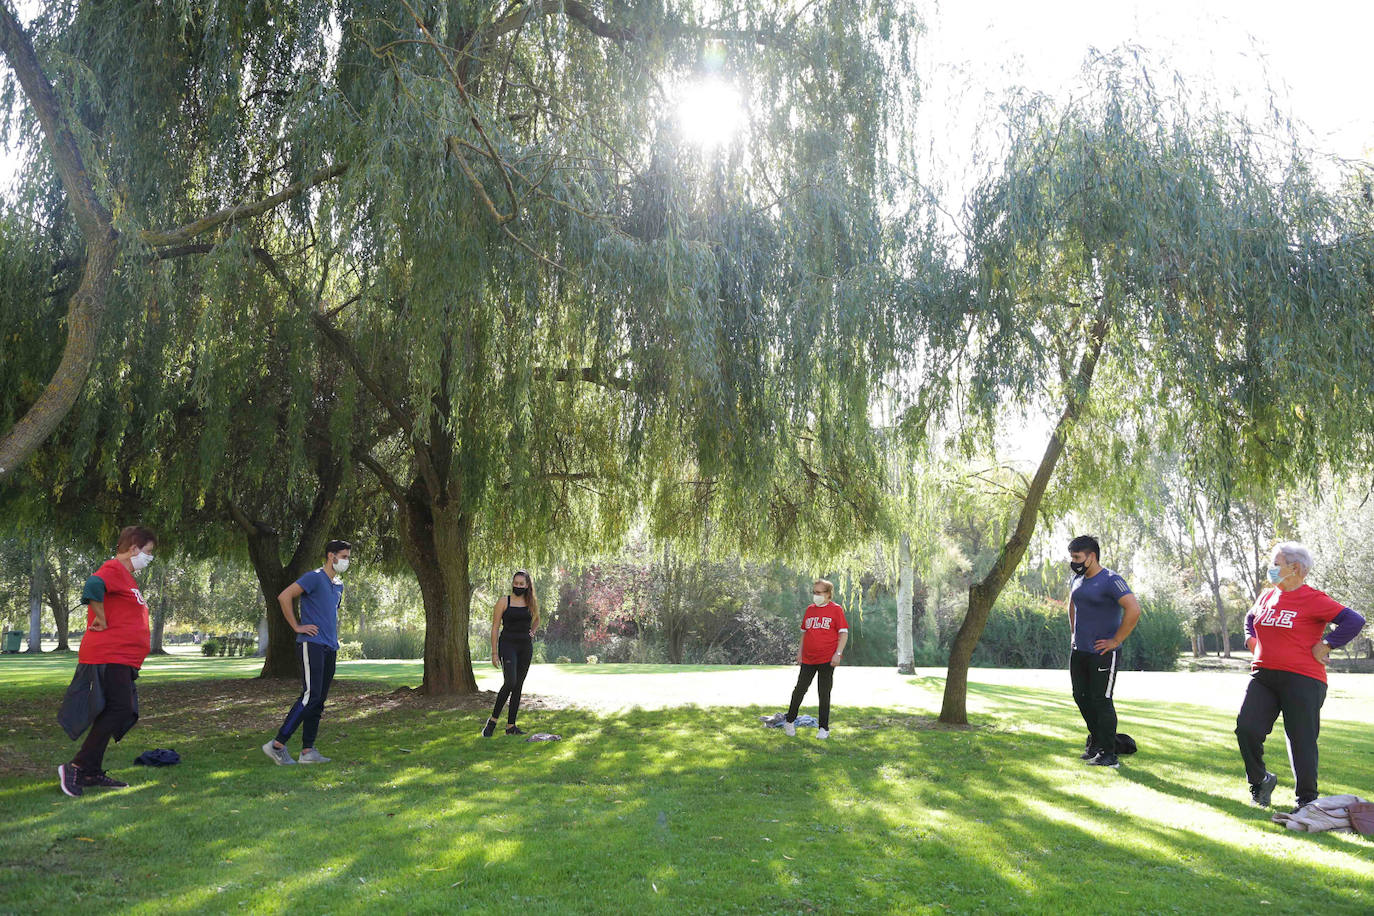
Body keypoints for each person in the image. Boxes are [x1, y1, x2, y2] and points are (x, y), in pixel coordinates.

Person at [1235, 541, 1365, 810]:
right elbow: (1250, 618)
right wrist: (1251, 639)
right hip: (1263, 676)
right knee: (1246, 728)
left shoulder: (1314, 599)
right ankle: (1260, 780)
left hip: (1303, 679)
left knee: (1301, 739)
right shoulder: (1267, 596)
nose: (1271, 570)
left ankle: (1306, 800)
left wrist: (1327, 644)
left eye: (1276, 564)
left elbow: (1354, 620)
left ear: (1295, 568)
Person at [58, 526, 157, 798]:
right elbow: (92, 586)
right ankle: (78, 765)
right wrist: (99, 618)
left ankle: (90, 772)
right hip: (109, 654)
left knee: (116, 710)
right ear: (134, 548)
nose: (149, 558)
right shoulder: (113, 568)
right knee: (120, 708)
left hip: (121, 657)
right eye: (148, 552)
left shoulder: (126, 577)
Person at [262, 540, 351, 765]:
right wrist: (297, 626)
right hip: (311, 644)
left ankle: (308, 752)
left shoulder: (338, 585)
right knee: (310, 695)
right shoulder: (314, 577)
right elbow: (284, 596)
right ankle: (277, 745)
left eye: (348, 557)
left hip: (330, 646)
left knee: (319, 700)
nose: (346, 561)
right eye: (344, 556)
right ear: (331, 556)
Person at [1066, 535, 1141, 769]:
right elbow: (1072, 605)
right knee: (1081, 696)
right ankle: (1098, 741)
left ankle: (1110, 755)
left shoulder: (1111, 580)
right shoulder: (1077, 580)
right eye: (1072, 557)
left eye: (1077, 557)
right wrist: (1073, 634)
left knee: (1101, 700)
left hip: (1104, 653)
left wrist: (1115, 640)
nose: (1074, 561)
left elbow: (1133, 609)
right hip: (1080, 650)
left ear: (1092, 556)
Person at [782, 579, 848, 740]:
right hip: (809, 658)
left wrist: (837, 654)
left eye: (819, 593)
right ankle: (789, 721)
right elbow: (804, 633)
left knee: (823, 693)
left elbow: (843, 633)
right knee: (799, 690)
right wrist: (800, 652)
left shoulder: (836, 610)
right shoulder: (809, 610)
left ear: (828, 594)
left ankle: (823, 728)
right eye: (814, 592)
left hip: (827, 659)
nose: (815, 595)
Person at [482, 570, 541, 737]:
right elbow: (495, 627)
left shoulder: (531, 602)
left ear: (527, 585)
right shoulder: (503, 602)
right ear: (512, 583)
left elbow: (537, 619)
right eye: (516, 583)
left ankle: (510, 727)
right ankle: (492, 721)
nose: (518, 586)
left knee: (518, 686)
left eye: (522, 584)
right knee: (510, 682)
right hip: (507, 645)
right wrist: (494, 653)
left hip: (525, 647)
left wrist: (533, 632)